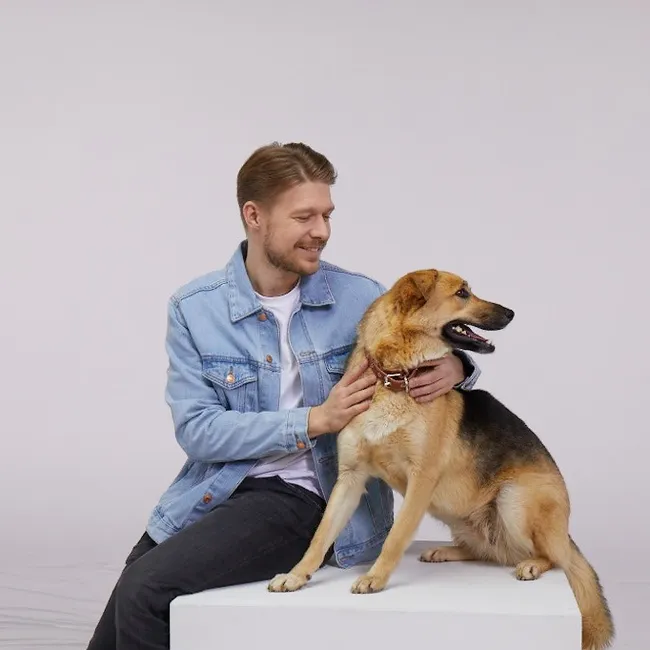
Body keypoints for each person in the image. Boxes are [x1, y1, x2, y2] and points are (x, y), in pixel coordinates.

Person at [86, 142, 482, 650]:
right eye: (304, 216)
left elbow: (432, 339)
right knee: (123, 608)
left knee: (146, 592)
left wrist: (458, 366)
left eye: (327, 215)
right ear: (254, 216)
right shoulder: (194, 308)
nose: (322, 231)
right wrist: (314, 420)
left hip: (306, 493)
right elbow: (198, 431)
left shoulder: (360, 297)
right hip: (215, 488)